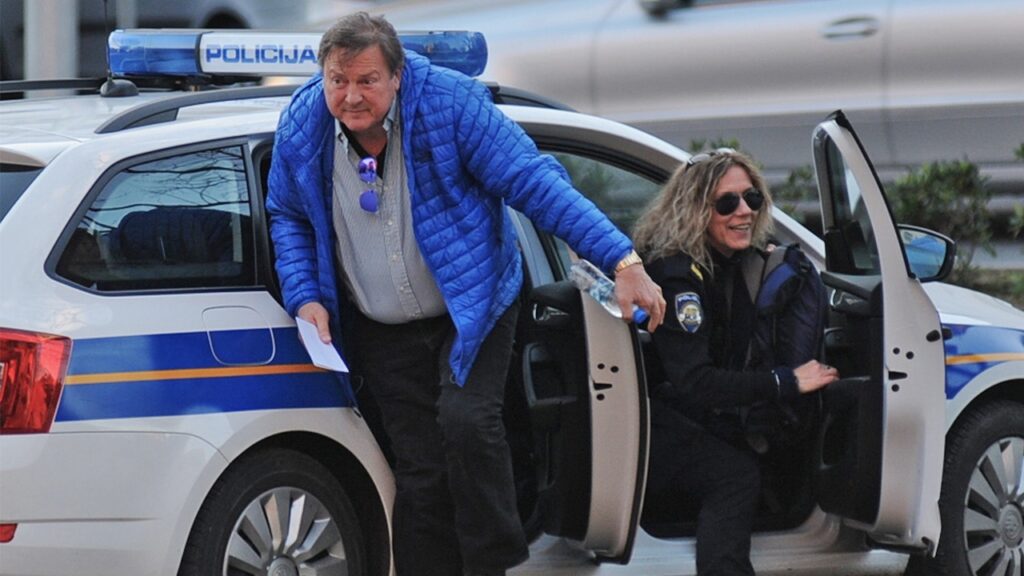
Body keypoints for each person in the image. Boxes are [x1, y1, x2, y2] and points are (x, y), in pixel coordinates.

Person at [265, 12, 666, 576]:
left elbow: (534, 180)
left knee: (468, 425)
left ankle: (492, 564)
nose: (351, 96)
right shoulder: (302, 125)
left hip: (472, 308)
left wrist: (621, 260)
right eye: (338, 80)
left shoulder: (452, 106)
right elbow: (286, 213)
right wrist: (305, 295)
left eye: (367, 80)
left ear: (397, 75)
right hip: (381, 326)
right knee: (421, 470)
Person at [632, 148, 838, 576]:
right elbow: (696, 382)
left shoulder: (727, 262)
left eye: (752, 198)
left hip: (682, 413)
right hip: (649, 421)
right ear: (694, 210)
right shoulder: (677, 278)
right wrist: (785, 382)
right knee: (735, 476)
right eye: (727, 203)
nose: (744, 211)